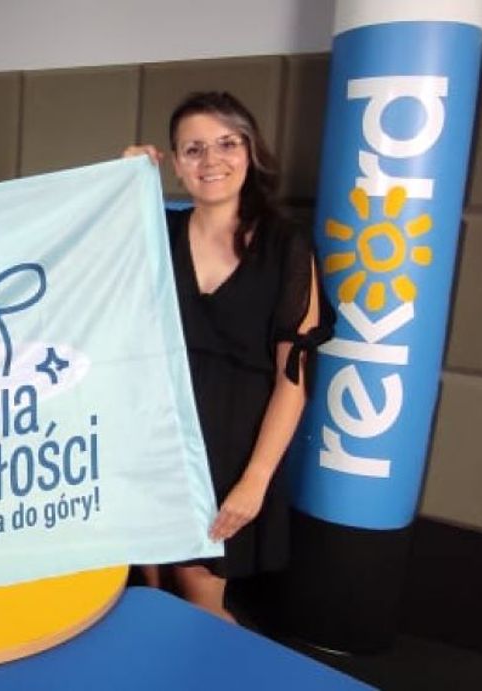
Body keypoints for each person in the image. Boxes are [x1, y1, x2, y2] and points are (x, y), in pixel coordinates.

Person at [125, 91, 331, 623]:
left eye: (226, 143)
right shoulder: (155, 232)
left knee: (199, 589)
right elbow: (86, 260)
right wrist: (121, 185)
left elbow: (293, 377)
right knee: (146, 582)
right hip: (154, 434)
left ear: (249, 151)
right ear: (174, 162)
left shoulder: (285, 245)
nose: (211, 160)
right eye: (193, 149)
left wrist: (255, 480)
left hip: (230, 445)